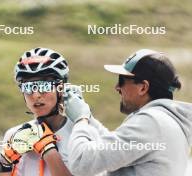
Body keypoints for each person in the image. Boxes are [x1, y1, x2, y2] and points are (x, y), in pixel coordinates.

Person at [64, 49, 192, 176]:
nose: (117, 87)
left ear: (143, 87)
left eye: (122, 80)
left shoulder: (150, 123)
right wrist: (88, 117)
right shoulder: (166, 121)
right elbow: (113, 149)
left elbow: (81, 163)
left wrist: (81, 120)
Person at [0, 47, 75, 176]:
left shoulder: (80, 135)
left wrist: (48, 149)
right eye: (28, 87)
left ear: (61, 87)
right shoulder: (14, 135)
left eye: (44, 86)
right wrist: (5, 164)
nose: (36, 94)